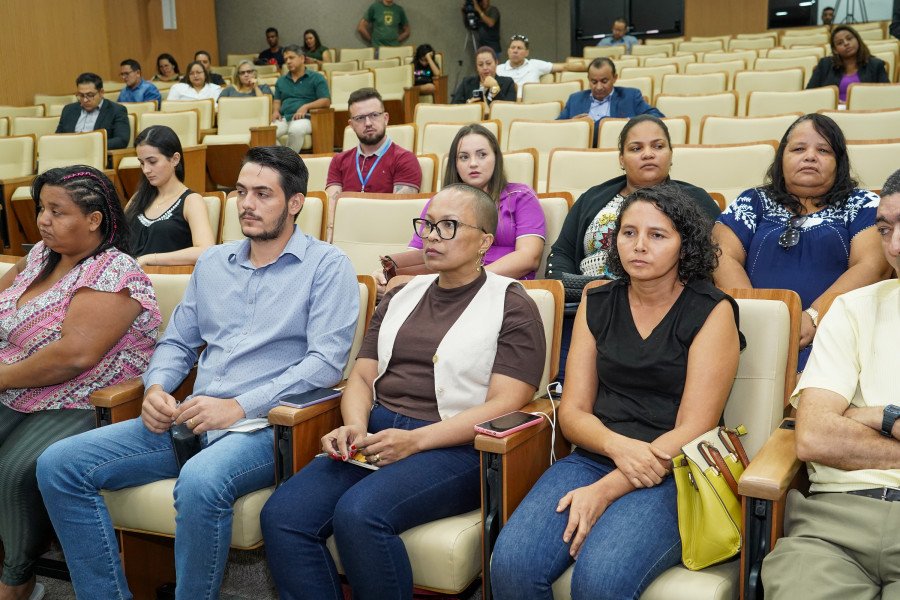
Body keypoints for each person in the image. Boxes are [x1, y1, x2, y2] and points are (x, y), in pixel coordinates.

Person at [36, 146, 360, 600]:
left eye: (263, 194)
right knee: (59, 465)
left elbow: (325, 364)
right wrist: (156, 388)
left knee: (202, 480)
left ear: (294, 203)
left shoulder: (327, 266)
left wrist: (238, 406)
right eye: (242, 192)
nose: (247, 203)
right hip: (190, 417)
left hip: (267, 426)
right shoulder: (213, 263)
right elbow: (177, 342)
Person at [260, 182, 547, 600]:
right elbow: (360, 377)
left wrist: (415, 441)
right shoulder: (400, 294)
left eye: (447, 226)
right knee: (283, 515)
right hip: (378, 433)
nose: (431, 236)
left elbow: (505, 403)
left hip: (455, 445)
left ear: (485, 240)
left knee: (360, 515)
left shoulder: (512, 303)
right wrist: (354, 426)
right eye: (427, 225)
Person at [491, 183, 742, 600]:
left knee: (600, 581)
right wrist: (616, 449)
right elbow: (572, 412)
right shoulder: (598, 299)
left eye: (657, 235)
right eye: (628, 233)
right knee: (512, 565)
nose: (639, 246)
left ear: (685, 245)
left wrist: (607, 490)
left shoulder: (712, 311)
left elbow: (695, 427)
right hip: (593, 457)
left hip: (671, 470)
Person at [0, 165, 160, 600]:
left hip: (81, 399)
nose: (43, 220)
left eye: (57, 211)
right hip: (16, 386)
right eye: (40, 209)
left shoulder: (115, 272)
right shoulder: (38, 257)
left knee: (12, 472)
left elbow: (75, 356)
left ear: (94, 219)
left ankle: (17, 579)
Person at [760, 169, 900, 599]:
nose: (895, 247)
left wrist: (866, 417)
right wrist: (891, 417)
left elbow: (833, 430)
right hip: (831, 527)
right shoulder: (854, 309)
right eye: (884, 229)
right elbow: (815, 436)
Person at [545, 115, 719, 383]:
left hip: (660, 312)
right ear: (621, 158)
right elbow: (562, 255)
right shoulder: (592, 198)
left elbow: (705, 263)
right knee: (566, 386)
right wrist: (589, 289)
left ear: (671, 154)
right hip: (586, 307)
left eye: (658, 146)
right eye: (636, 148)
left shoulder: (694, 201)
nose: (648, 154)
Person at [713, 113, 887, 371]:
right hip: (751, 335)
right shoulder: (753, 201)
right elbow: (720, 255)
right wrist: (759, 318)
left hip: (836, 335)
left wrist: (814, 317)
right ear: (781, 158)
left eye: (824, 150)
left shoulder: (861, 203)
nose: (810, 156)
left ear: (839, 162)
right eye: (798, 148)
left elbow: (872, 265)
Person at [403, 124, 545, 285]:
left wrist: (471, 281)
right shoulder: (440, 201)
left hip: (504, 287)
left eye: (482, 155)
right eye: (464, 157)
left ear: (496, 158)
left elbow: (529, 257)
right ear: (455, 164)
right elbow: (415, 255)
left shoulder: (520, 196)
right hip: (448, 290)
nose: (473, 163)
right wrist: (389, 271)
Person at [325, 88, 421, 223]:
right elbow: (331, 212)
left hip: (385, 234)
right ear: (351, 125)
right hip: (346, 233)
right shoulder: (339, 161)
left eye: (374, 115)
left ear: (386, 118)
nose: (368, 123)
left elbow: (400, 214)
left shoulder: (405, 159)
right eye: (360, 118)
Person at [125, 125, 216, 267]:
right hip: (129, 280)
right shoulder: (138, 198)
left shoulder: (191, 201)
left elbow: (206, 250)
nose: (146, 170)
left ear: (175, 159)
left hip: (169, 282)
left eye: (152, 162)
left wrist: (149, 259)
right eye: (142, 163)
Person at [557, 57, 663, 146]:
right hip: (582, 152)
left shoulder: (630, 96)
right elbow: (556, 127)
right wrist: (571, 124)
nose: (598, 87)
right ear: (588, 79)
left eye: (604, 81)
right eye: (594, 82)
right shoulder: (575, 99)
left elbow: (657, 116)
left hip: (617, 150)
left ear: (614, 78)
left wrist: (622, 122)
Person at [806, 25, 889, 104]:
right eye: (840, 43)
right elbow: (810, 93)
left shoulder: (876, 65)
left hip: (866, 111)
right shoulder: (825, 64)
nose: (846, 43)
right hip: (831, 112)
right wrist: (831, 101)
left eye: (849, 39)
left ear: (857, 40)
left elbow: (886, 95)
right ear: (835, 50)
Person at [272, 45, 331, 153]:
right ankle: (285, 160)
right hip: (284, 118)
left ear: (302, 58)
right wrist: (275, 111)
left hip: (306, 118)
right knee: (267, 133)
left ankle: (287, 163)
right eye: (286, 59)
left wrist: (306, 106)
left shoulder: (317, 78)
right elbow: (277, 100)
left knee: (295, 130)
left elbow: (326, 101)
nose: (288, 62)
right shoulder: (281, 81)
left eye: (291, 57)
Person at [56, 72, 130, 150]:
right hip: (68, 154)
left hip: (97, 155)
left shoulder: (116, 110)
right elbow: (57, 137)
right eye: (81, 95)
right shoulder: (69, 110)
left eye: (90, 95)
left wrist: (89, 146)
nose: (85, 100)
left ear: (101, 92)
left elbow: (121, 140)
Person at [497, 34, 570, 99]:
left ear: (527, 53)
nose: (515, 51)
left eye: (519, 48)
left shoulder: (535, 65)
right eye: (512, 47)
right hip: (507, 106)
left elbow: (564, 67)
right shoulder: (498, 69)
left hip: (532, 106)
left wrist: (581, 65)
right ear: (508, 51)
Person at [451, 46, 516, 104]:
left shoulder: (508, 83)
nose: (485, 68)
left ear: (496, 63)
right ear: (476, 67)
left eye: (488, 63)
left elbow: (507, 109)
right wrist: (469, 104)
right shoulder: (467, 82)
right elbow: (454, 106)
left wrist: (494, 87)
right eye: (480, 64)